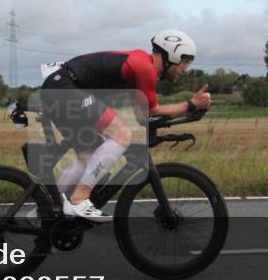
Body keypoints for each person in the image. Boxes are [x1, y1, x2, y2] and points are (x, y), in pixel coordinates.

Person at [39, 29, 211, 221]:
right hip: (66, 87)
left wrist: (185, 115)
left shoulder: (139, 68)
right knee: (122, 134)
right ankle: (79, 200)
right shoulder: (145, 68)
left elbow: (142, 116)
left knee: (89, 155)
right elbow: (152, 111)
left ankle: (49, 207)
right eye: (185, 61)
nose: (185, 69)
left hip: (60, 86)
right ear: (172, 54)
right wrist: (190, 105)